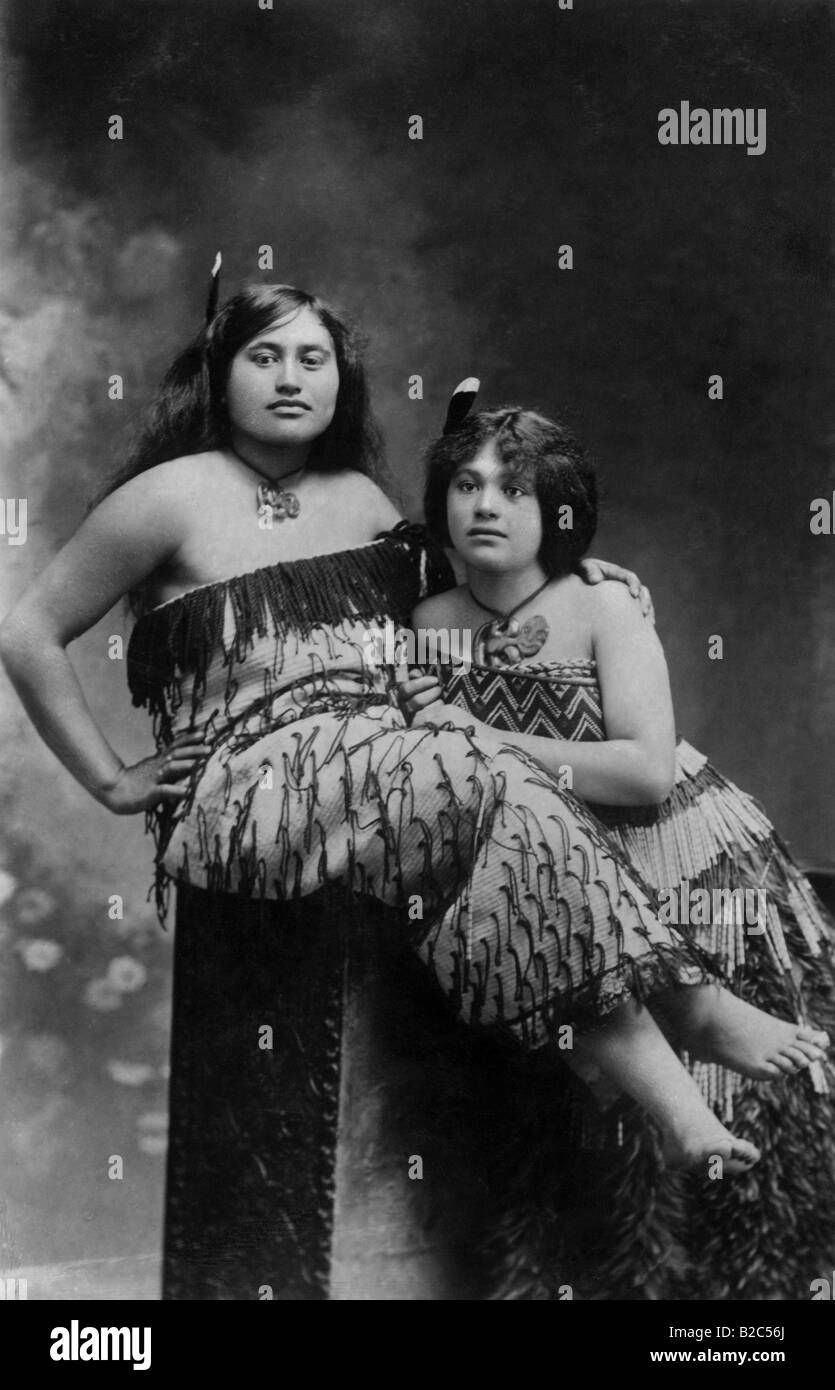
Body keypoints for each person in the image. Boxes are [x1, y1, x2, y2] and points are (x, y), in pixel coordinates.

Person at [0, 282, 824, 1297]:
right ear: (221, 373)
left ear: (341, 380)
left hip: (399, 777)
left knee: (496, 778)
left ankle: (678, 1103)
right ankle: (688, 1014)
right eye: (266, 357)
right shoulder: (167, 495)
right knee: (476, 758)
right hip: (253, 791)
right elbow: (25, 630)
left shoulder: (360, 500)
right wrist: (110, 778)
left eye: (314, 359)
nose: (292, 378)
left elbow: (473, 576)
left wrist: (582, 574)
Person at [397, 401, 835, 1299]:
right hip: (531, 870)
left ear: (559, 513)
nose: (486, 505)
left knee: (745, 1119)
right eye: (468, 485)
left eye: (516, 491)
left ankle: (744, 1305)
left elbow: (642, 772)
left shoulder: (600, 605)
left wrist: (480, 741)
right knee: (580, 1139)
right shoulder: (427, 616)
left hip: (669, 859)